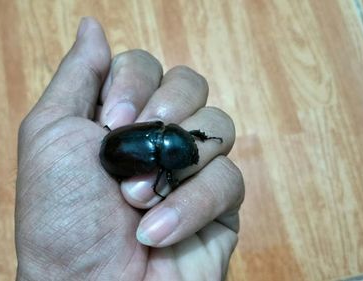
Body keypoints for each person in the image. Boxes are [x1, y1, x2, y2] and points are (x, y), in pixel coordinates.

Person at [15, 17, 244, 281]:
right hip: (114, 152)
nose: (194, 154)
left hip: (119, 146)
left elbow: (166, 174)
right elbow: (164, 177)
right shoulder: (157, 157)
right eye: (191, 147)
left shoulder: (160, 131)